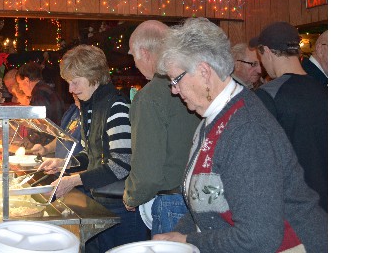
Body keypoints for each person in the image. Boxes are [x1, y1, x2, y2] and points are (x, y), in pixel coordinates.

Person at [152, 18, 327, 252]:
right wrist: (181, 232)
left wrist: (188, 241)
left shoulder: (247, 129)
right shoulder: (214, 117)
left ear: (204, 72)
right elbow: (208, 203)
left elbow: (259, 238)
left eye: (176, 80)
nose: (174, 89)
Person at [38, 45, 148, 252]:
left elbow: (121, 165)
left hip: (122, 207)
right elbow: (92, 154)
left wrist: (73, 180)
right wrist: (65, 163)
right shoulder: (92, 106)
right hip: (102, 200)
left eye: (75, 82)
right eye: (69, 82)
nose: (71, 89)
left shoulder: (116, 108)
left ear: (94, 76)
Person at [123, 20, 200, 236]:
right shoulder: (194, 84)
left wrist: (132, 196)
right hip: (203, 198)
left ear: (145, 53)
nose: (135, 65)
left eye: (134, 57)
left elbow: (147, 173)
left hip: (172, 204)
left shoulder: (149, 97)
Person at [250, 21, 328, 211]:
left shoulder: (267, 95)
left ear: (266, 51)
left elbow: (260, 161)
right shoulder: (324, 89)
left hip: (292, 207)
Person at [16, 62, 66, 147]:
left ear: (27, 80)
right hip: (55, 142)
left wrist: (30, 139)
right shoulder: (45, 89)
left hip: (49, 144)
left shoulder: (39, 94)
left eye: (20, 84)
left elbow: (41, 125)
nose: (20, 88)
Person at [30, 94, 84, 159]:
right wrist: (46, 149)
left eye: (76, 83)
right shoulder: (72, 110)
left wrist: (70, 163)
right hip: (60, 166)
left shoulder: (94, 116)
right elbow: (62, 138)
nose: (71, 90)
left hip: (77, 167)